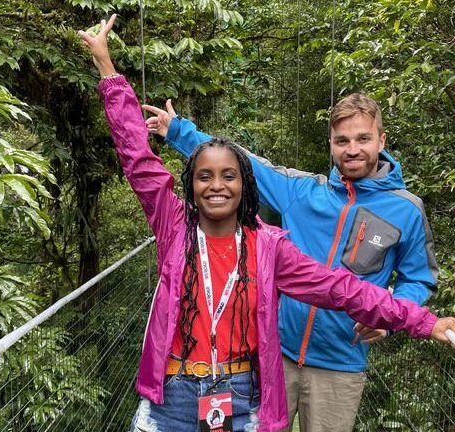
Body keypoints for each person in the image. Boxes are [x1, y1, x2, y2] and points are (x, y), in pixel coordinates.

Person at [78, 15, 455, 432]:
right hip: (174, 392)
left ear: (246, 186)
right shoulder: (175, 224)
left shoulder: (268, 246)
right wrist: (108, 71)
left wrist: (420, 320)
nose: (217, 186)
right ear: (191, 183)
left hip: (246, 392)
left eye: (229, 177)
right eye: (205, 177)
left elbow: (340, 289)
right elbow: (138, 159)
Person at [145, 84, 438, 430]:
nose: (352, 150)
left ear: (382, 140)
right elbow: (244, 165)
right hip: (274, 355)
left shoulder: (406, 209)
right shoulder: (303, 191)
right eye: (342, 141)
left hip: (340, 364)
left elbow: (419, 277)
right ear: (330, 143)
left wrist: (389, 321)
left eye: (363, 139)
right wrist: (179, 132)